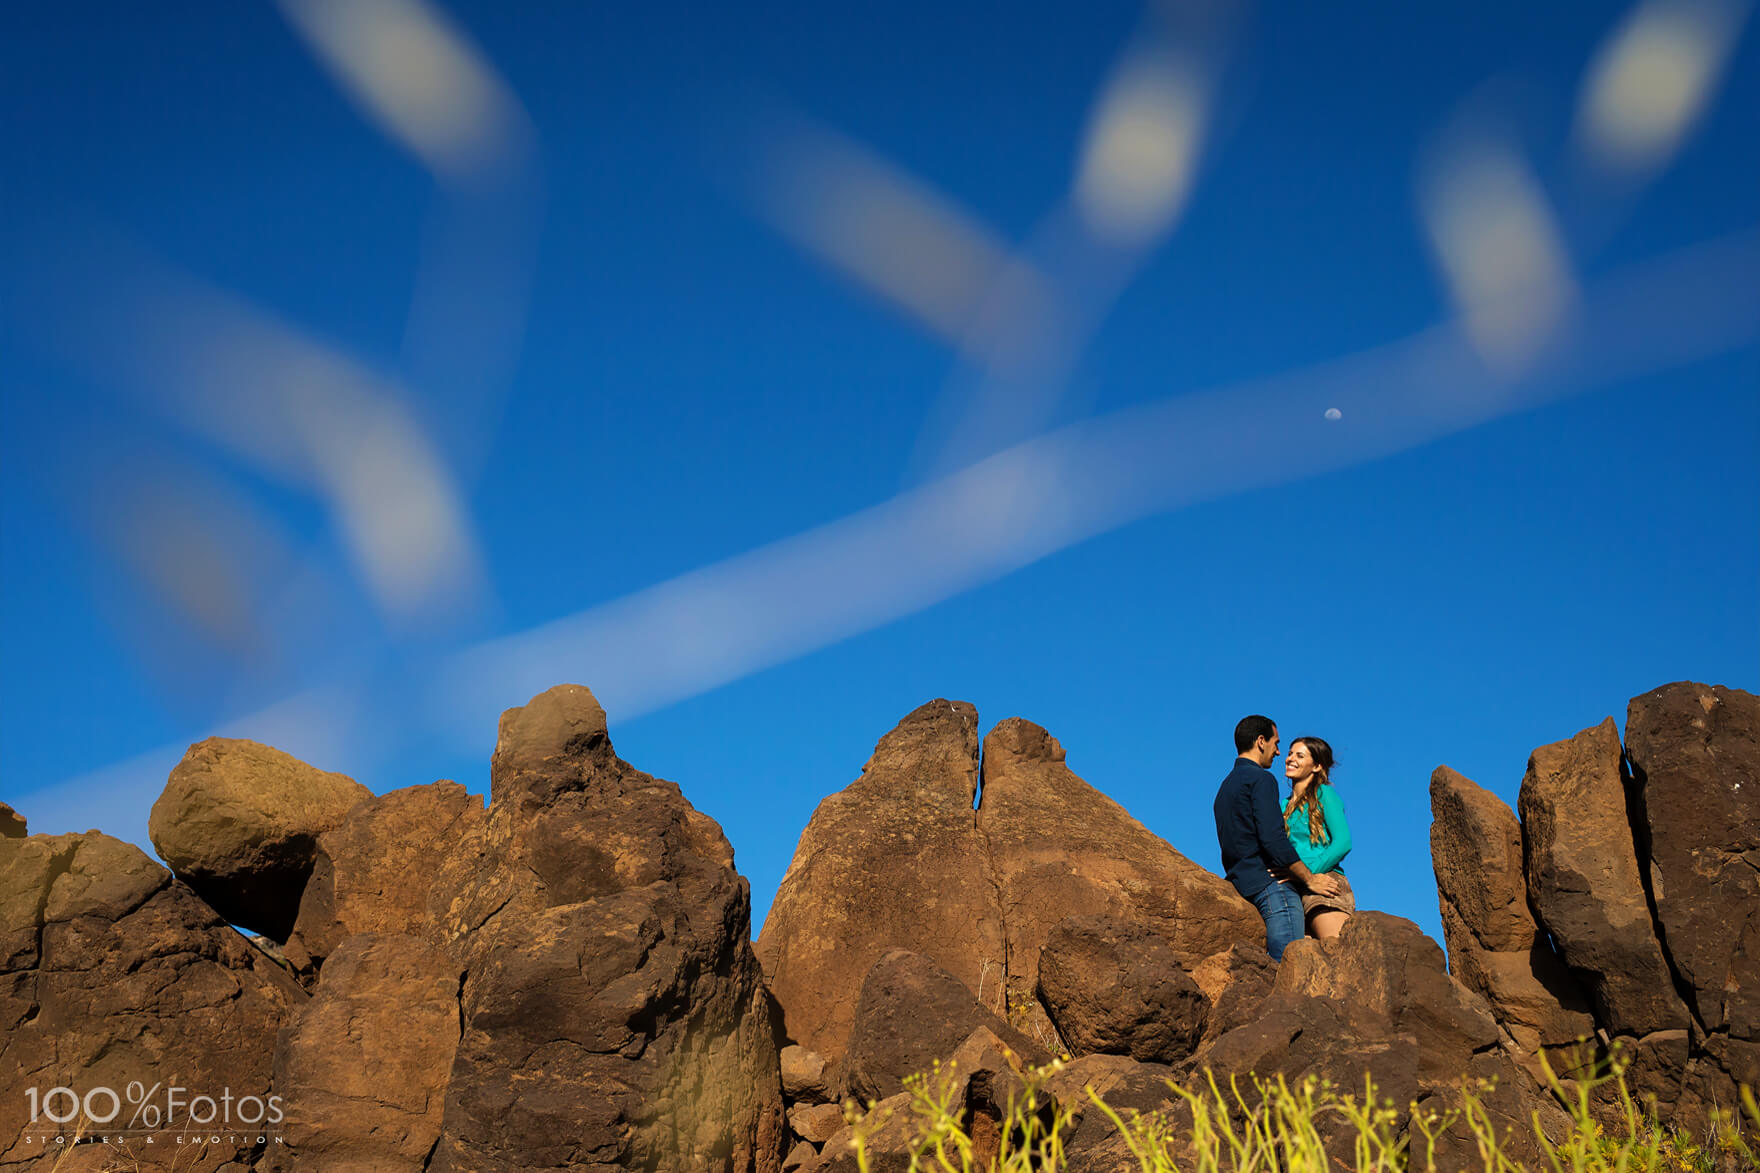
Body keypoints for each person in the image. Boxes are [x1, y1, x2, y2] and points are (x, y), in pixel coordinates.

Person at [1213, 715, 1340, 961]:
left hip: (1238, 883)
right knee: (1289, 967)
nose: (1279, 752)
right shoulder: (1261, 779)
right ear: (1261, 741)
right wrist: (1309, 878)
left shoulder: (1224, 787)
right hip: (1271, 888)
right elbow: (1273, 839)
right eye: (1276, 743)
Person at [1280, 735, 1354, 940]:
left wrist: (1307, 872)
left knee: (1335, 952)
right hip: (1293, 887)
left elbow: (1343, 842)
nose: (1290, 758)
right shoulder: (1282, 805)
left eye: (1300, 755)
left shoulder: (1325, 794)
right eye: (1289, 753)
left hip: (1324, 881)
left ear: (1316, 766)